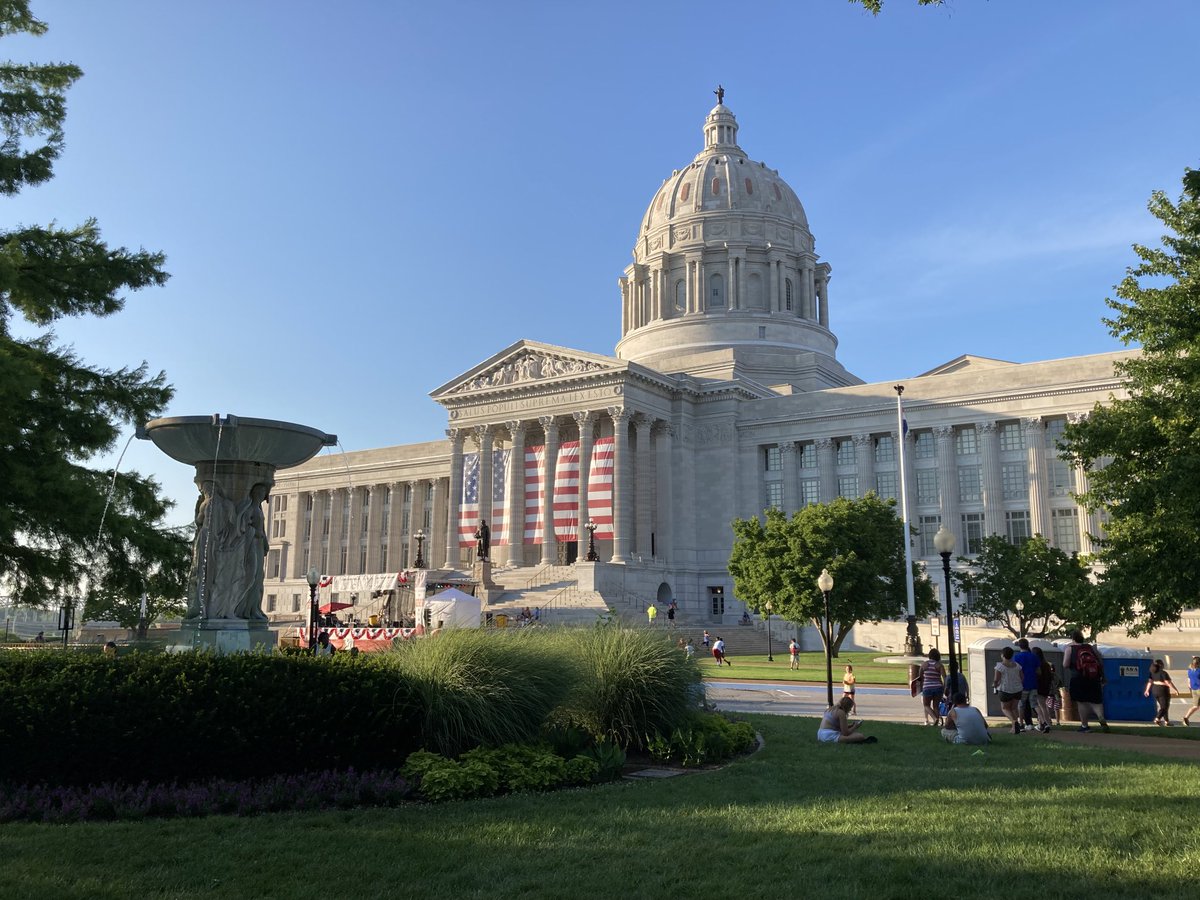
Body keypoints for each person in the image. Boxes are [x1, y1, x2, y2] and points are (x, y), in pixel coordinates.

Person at [1063, 630, 1109, 733]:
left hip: (1078, 678)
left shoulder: (1070, 649)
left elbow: (1065, 664)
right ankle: (1101, 717)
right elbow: (1100, 662)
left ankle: (1084, 725)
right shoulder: (1090, 648)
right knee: (1096, 701)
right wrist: (1103, 677)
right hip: (1094, 677)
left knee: (1082, 702)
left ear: (1073, 639)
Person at [993, 646, 1025, 734]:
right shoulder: (1017, 666)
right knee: (1014, 708)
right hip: (1018, 689)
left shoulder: (999, 667)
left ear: (1002, 655)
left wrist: (995, 685)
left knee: (1005, 708)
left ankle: (1014, 722)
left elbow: (996, 679)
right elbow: (1022, 677)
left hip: (1005, 689)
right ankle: (1014, 728)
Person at [1013, 638, 1041, 730]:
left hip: (1022, 684)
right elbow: (1038, 671)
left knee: (1021, 705)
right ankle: (1043, 722)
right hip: (1033, 683)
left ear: (1019, 646)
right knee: (1035, 704)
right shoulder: (1034, 657)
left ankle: (1021, 724)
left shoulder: (1016, 657)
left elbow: (1015, 671)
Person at [1144, 659, 1179, 726]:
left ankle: (1166, 721)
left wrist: (1147, 690)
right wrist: (1175, 689)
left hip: (1155, 689)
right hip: (1163, 691)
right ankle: (1157, 719)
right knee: (1164, 707)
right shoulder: (1163, 673)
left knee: (1164, 706)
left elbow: (1150, 682)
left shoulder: (1152, 672)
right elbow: (1168, 682)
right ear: (1160, 665)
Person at [919, 648, 946, 726]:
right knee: (936, 706)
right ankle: (937, 723)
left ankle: (935, 718)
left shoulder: (924, 664)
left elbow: (920, 677)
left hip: (927, 687)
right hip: (938, 687)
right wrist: (945, 687)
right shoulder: (939, 665)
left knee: (926, 705)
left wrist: (921, 687)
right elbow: (945, 678)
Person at [1031, 646, 1054, 733]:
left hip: (1038, 687)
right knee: (1043, 706)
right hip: (1046, 687)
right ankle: (1041, 724)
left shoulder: (1036, 665)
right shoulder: (1047, 665)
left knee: (1041, 706)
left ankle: (1046, 723)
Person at [1183, 657, 1200, 727]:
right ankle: (1186, 718)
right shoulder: (1199, 671)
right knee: (1196, 706)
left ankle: (1186, 717)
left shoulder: (1190, 670)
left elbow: (1189, 682)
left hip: (1194, 689)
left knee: (1195, 706)